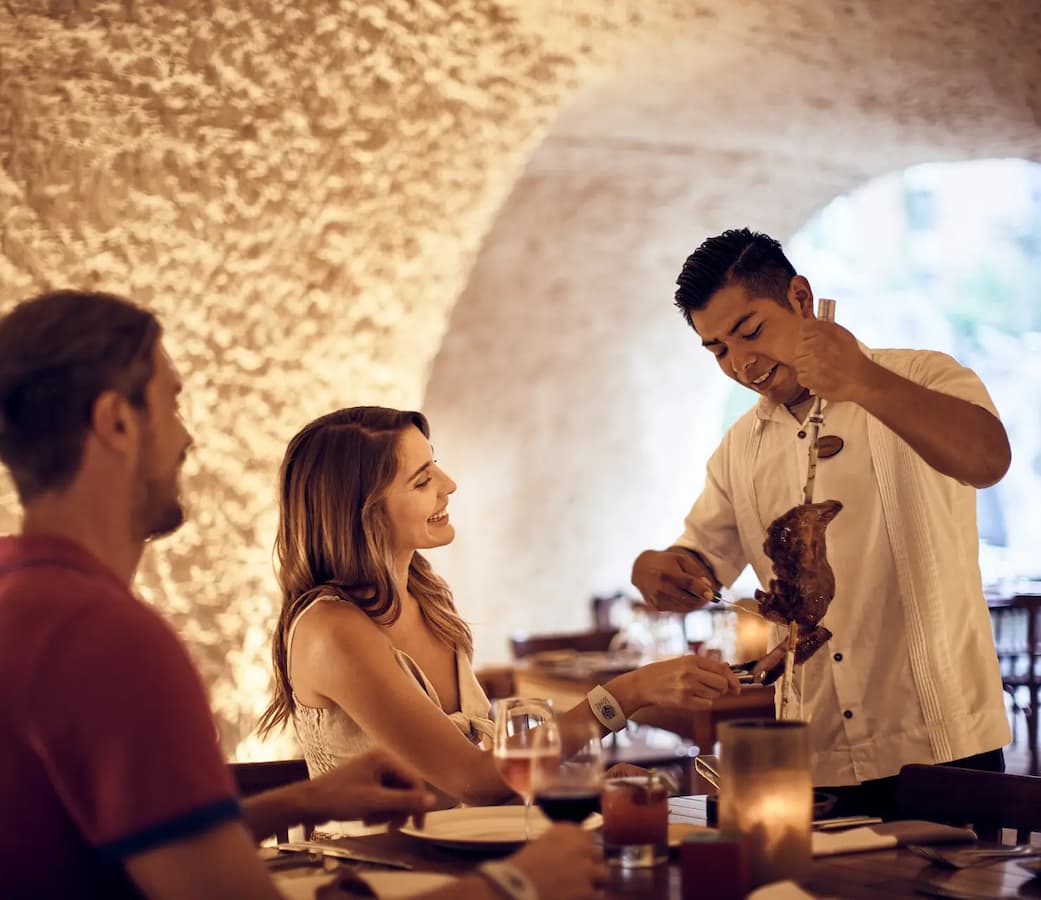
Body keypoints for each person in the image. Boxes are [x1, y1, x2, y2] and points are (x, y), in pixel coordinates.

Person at [0, 290, 605, 900]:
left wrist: (307, 799)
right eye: (173, 402)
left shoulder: (21, 597)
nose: (188, 439)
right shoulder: (109, 639)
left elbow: (125, 845)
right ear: (117, 423)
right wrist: (514, 885)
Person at [631, 228, 1013, 819]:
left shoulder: (922, 373)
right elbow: (703, 554)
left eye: (751, 331)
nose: (742, 363)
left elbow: (989, 460)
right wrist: (657, 569)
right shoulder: (739, 448)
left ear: (801, 298)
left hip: (943, 743)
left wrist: (862, 380)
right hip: (815, 751)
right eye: (717, 350)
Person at [258, 406, 741, 805]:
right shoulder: (331, 628)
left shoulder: (426, 596)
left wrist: (583, 784)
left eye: (436, 467)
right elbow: (475, 780)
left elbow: (490, 772)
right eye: (423, 480)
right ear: (360, 509)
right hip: (378, 875)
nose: (449, 484)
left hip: (466, 863)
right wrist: (628, 694)